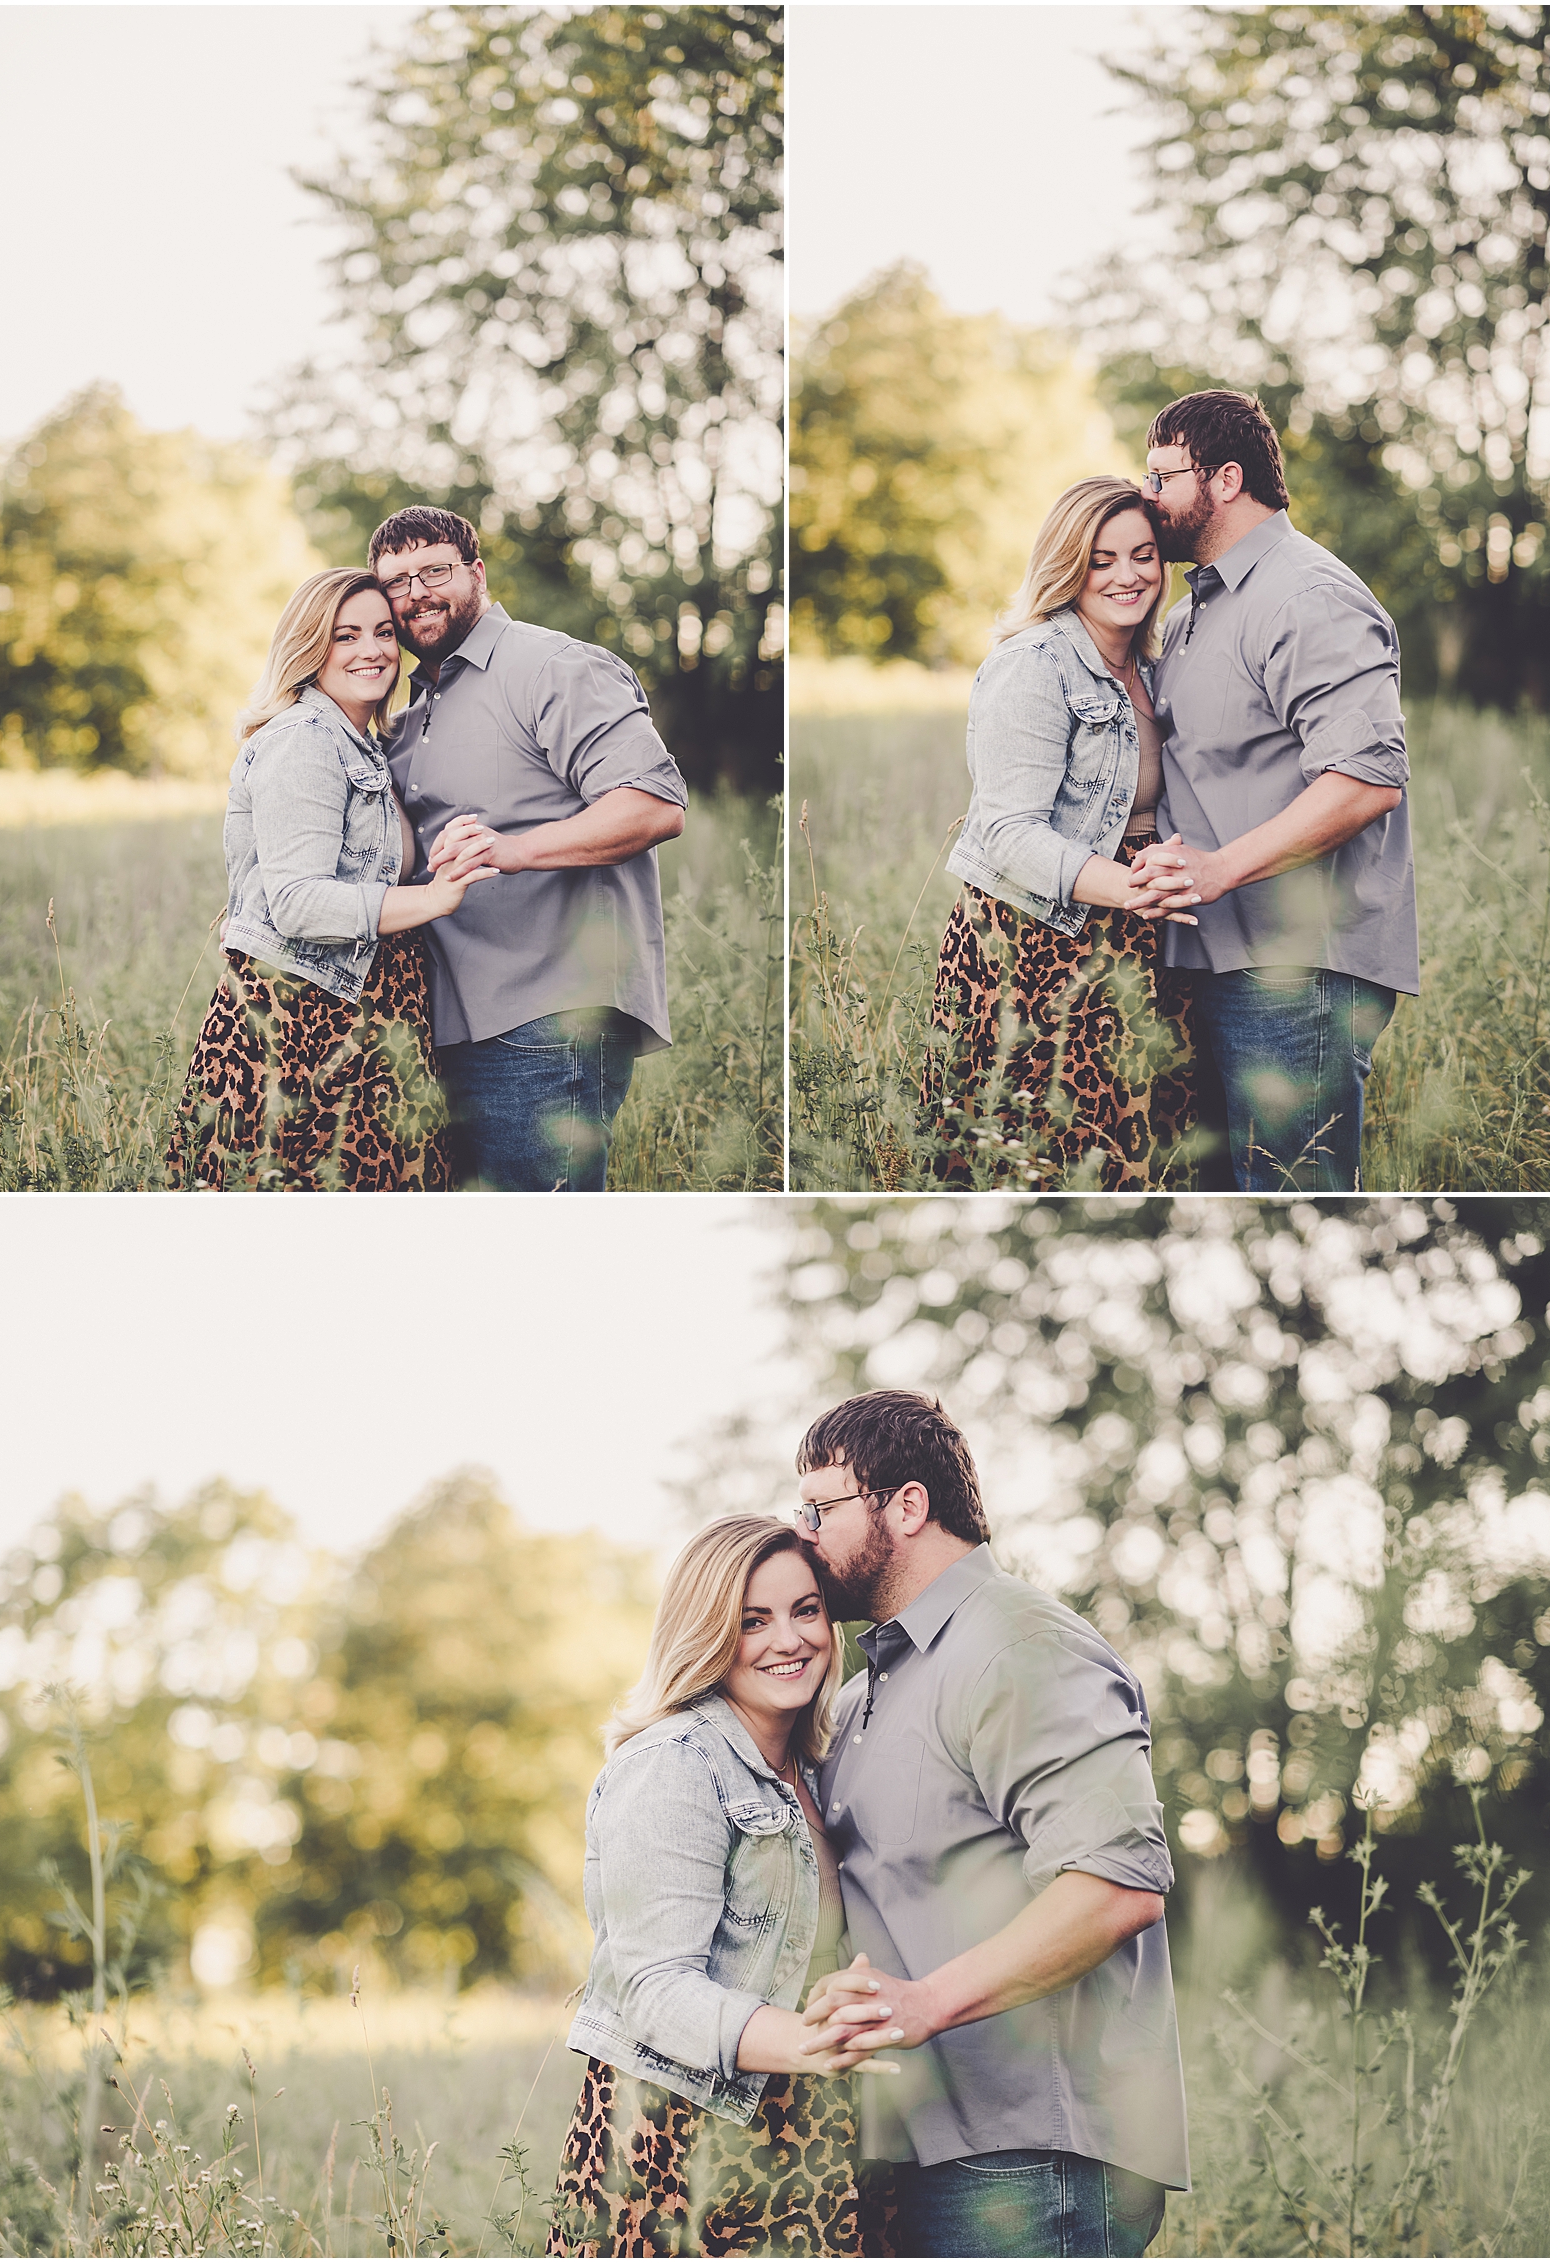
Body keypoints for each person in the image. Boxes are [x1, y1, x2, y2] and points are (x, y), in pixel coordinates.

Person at [794, 1390, 1190, 2261]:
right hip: (926, 2149)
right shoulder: (865, 1690)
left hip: (1029, 2154)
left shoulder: (1019, 1646)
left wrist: (924, 2004)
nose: (804, 1536)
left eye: (819, 1508)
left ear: (906, 1504)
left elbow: (1116, 1887)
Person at [546, 1516, 901, 2257]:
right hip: (680, 2138)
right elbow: (653, 1986)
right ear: (707, 1634)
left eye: (806, 1610)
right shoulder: (674, 1762)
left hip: (804, 2133)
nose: (790, 1638)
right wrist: (812, 2039)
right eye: (753, 1621)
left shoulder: (815, 1768)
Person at [1125, 389, 1419, 1192]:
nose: (1144, 497)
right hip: (1220, 964)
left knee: (1292, 1196)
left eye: (1160, 478)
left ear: (1224, 478)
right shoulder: (1197, 610)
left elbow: (1364, 783)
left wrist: (1216, 871)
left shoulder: (1307, 595)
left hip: (1297, 973)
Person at [369, 507, 689, 1191]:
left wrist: (511, 851)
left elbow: (653, 804)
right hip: (450, 1028)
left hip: (548, 1023)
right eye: (396, 582)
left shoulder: (552, 666)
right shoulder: (410, 712)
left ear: (476, 573)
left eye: (434, 569)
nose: (417, 592)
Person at [166, 569, 497, 1191]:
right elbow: (296, 903)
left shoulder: (362, 741)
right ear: (310, 646)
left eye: (382, 632)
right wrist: (433, 897)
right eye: (345, 636)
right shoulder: (307, 741)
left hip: (363, 1020)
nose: (371, 650)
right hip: (298, 1024)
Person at [923, 477, 1205, 1190]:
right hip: (1036, 948)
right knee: (1040, 1158)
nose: (1128, 575)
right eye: (1101, 559)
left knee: (1137, 1157)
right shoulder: (1034, 664)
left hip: (1139, 943)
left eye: (1143, 554)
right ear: (1065, 565)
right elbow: (1007, 830)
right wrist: (1134, 884)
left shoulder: (1151, 663)